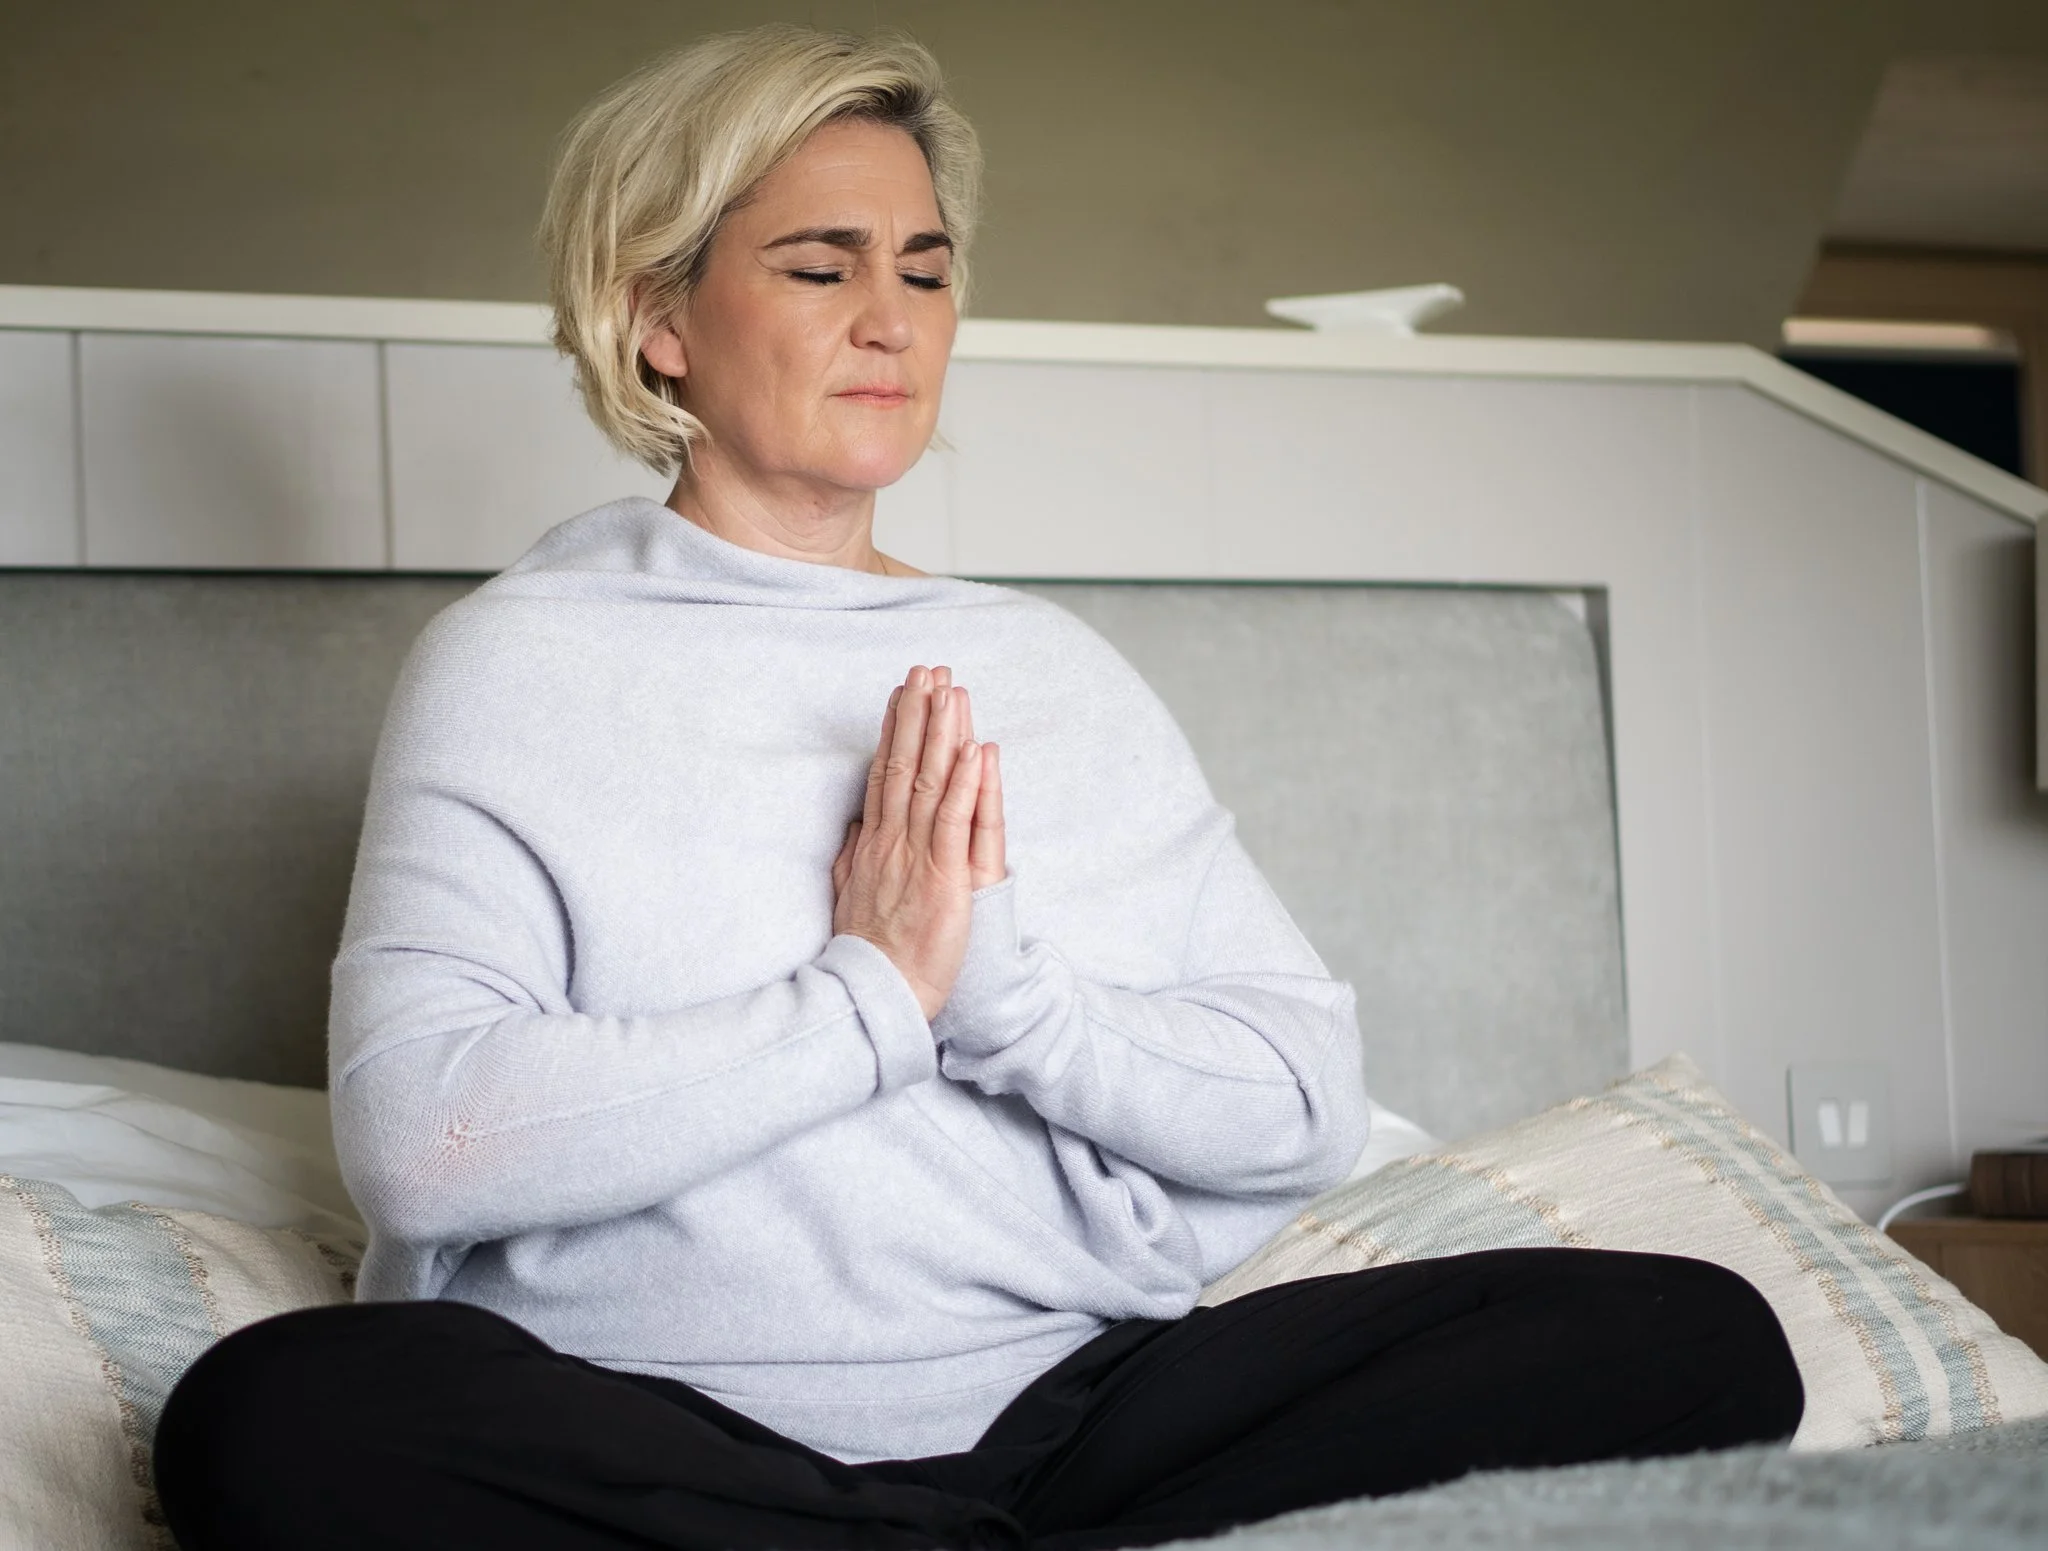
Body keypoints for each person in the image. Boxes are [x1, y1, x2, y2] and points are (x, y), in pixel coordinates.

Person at [153, 23, 1803, 1550]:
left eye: (926, 271)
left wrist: (1010, 1000)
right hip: (660, 1424)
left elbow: (1303, 1096)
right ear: (658, 316)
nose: (891, 317)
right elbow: (423, 1140)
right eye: (822, 265)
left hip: (1074, 1413)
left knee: (1695, 1330)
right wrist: (873, 996)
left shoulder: (1051, 667)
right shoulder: (514, 664)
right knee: (270, 1416)